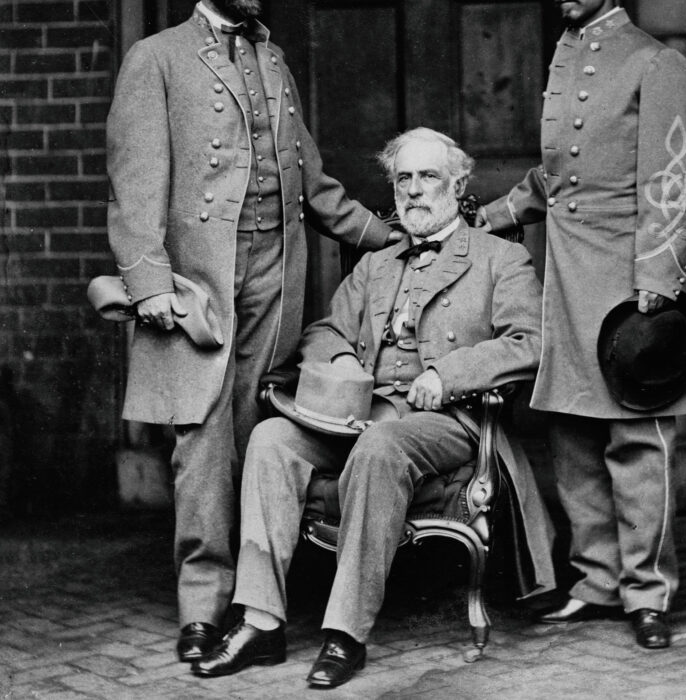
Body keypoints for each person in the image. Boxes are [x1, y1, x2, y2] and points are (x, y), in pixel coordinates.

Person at [105, 0, 395, 662]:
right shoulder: (158, 59)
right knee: (203, 441)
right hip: (201, 280)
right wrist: (149, 284)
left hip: (276, 270)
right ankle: (201, 605)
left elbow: (314, 184)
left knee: (262, 432)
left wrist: (387, 235)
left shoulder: (274, 60)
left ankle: (255, 605)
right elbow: (134, 189)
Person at [191, 127, 556, 688]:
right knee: (270, 440)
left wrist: (449, 374)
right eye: (403, 178)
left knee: (382, 446)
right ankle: (261, 620)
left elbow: (528, 342)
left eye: (428, 177)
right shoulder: (376, 264)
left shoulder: (499, 259)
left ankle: (345, 633)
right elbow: (325, 330)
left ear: (458, 186)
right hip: (360, 416)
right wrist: (339, 364)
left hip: (445, 422)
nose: (413, 191)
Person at [476, 0, 686, 649]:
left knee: (636, 441)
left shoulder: (654, 63)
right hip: (568, 274)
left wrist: (659, 277)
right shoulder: (566, 54)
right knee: (575, 435)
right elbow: (561, 179)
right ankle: (598, 581)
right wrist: (495, 214)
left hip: (627, 280)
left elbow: (680, 176)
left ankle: (649, 591)